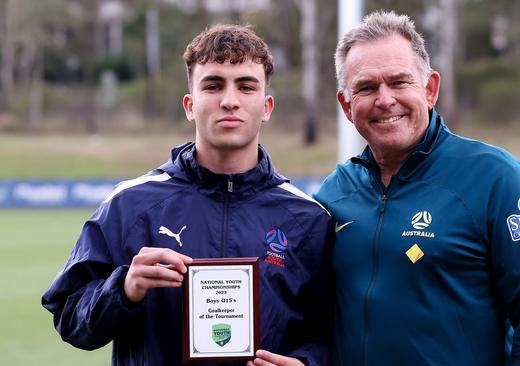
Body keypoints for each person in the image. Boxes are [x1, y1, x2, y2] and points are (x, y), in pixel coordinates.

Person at [42, 24, 332, 366]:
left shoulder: (307, 218)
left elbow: (334, 334)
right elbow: (69, 317)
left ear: (266, 106)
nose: (229, 100)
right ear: (190, 105)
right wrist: (123, 288)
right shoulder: (130, 205)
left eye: (245, 86)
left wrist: (306, 364)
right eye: (213, 85)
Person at [313, 11, 520, 366]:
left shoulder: (495, 178)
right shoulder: (332, 195)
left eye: (399, 82)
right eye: (366, 87)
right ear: (346, 104)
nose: (384, 100)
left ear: (430, 89)